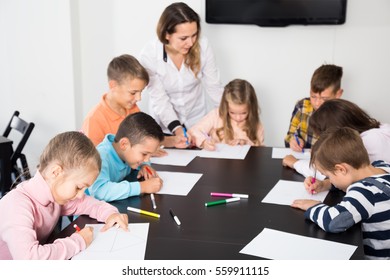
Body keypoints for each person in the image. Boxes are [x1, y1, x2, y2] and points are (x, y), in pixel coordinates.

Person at [0, 131, 128, 260]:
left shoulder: (55, 194)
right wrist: (79, 241)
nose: (80, 195)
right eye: (78, 187)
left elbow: (90, 204)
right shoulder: (17, 206)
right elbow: (29, 258)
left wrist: (111, 214)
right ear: (56, 172)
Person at [291, 127, 390, 260]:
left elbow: (334, 221)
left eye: (328, 175)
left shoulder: (364, 193)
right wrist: (325, 184)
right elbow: (352, 180)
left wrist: (313, 206)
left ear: (341, 169)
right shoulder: (382, 166)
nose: (328, 179)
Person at [139, 2, 224, 142]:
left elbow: (214, 86)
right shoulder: (149, 55)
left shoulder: (203, 45)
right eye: (183, 38)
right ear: (167, 34)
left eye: (194, 35)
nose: (191, 43)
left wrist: (226, 119)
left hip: (198, 121)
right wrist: (177, 130)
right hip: (165, 127)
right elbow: (160, 99)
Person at [81, 54, 186, 155]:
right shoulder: (94, 119)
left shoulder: (132, 109)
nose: (139, 98)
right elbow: (95, 161)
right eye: (133, 93)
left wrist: (172, 141)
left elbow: (144, 138)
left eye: (141, 92)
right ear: (113, 86)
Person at [285, 99, 390, 193]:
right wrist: (325, 184)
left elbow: (330, 169)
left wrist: (295, 163)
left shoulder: (366, 144)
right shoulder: (381, 130)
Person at [86, 112, 164, 202]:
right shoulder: (100, 157)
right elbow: (99, 192)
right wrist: (142, 187)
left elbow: (142, 158)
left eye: (150, 155)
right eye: (144, 154)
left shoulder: (125, 152)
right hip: (88, 212)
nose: (147, 159)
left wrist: (144, 165)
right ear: (124, 144)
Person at [188, 79, 264, 150]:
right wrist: (204, 142)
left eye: (243, 113)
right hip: (218, 162)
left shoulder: (256, 124)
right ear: (226, 107)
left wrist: (247, 143)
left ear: (251, 109)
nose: (238, 118)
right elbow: (193, 131)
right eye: (232, 113)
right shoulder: (216, 115)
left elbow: (260, 150)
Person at [284, 64, 343, 152]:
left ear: (338, 94)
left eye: (324, 98)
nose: (317, 103)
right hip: (302, 161)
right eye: (313, 96)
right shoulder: (302, 107)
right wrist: (292, 141)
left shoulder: (343, 114)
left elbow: (346, 150)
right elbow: (289, 136)